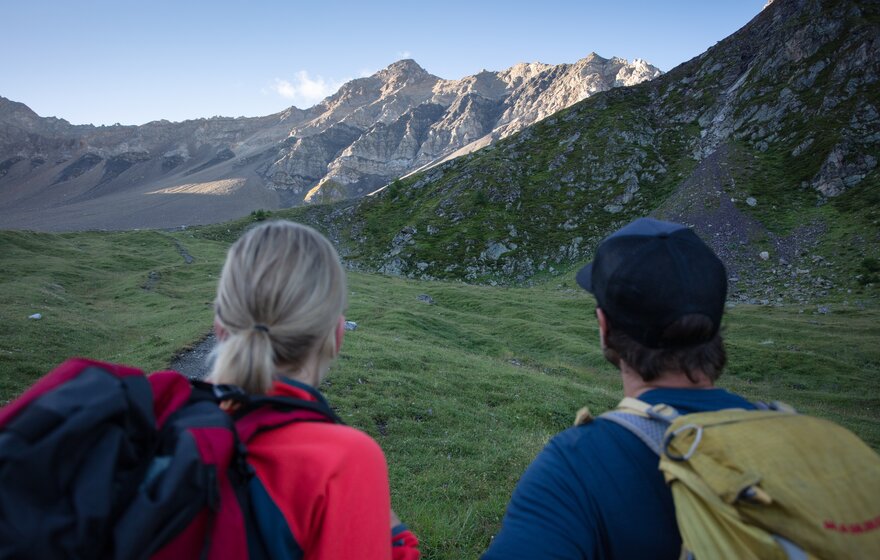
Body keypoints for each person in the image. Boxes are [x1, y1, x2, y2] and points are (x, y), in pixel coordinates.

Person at [482, 217, 755, 559]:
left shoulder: (575, 466)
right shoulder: (817, 447)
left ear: (604, 326)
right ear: (714, 323)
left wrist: (398, 538)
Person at [208, 220, 419, 560]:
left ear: (219, 328)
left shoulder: (151, 421)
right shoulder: (342, 460)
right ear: (337, 335)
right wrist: (397, 541)